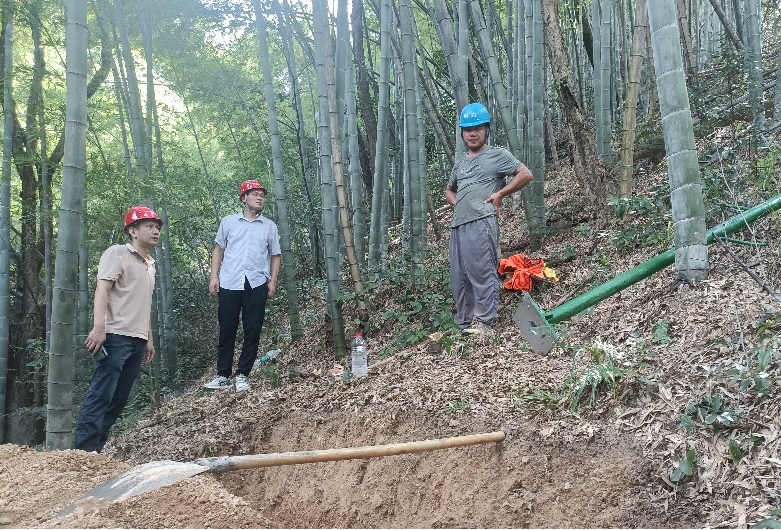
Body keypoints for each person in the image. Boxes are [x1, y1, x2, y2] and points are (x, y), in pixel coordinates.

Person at [74, 206, 162, 452]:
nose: (155, 231)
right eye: (149, 226)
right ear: (133, 231)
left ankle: (96, 451)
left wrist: (149, 338)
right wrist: (99, 327)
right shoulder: (117, 253)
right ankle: (83, 453)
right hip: (115, 336)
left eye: (157, 227)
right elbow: (102, 290)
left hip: (137, 339)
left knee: (119, 399)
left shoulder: (150, 264)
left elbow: (144, 303)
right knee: (101, 394)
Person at [445, 103, 534, 335]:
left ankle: (484, 323)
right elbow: (449, 191)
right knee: (460, 276)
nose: (472, 133)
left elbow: (525, 174)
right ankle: (465, 323)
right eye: (467, 129)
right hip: (459, 224)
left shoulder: (498, 155)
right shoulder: (461, 163)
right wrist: (460, 205)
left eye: (478, 128)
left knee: (482, 270)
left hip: (481, 221)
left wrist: (501, 194)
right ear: (462, 133)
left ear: (486, 130)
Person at [204, 179, 281, 392]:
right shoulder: (228, 222)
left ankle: (243, 375)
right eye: (254, 194)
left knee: (253, 329)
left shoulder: (269, 226)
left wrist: (272, 281)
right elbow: (218, 249)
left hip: (256, 282)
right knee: (227, 329)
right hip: (229, 281)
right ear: (243, 198)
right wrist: (214, 277)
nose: (259, 197)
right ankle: (222, 375)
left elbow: (275, 255)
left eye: (262, 195)